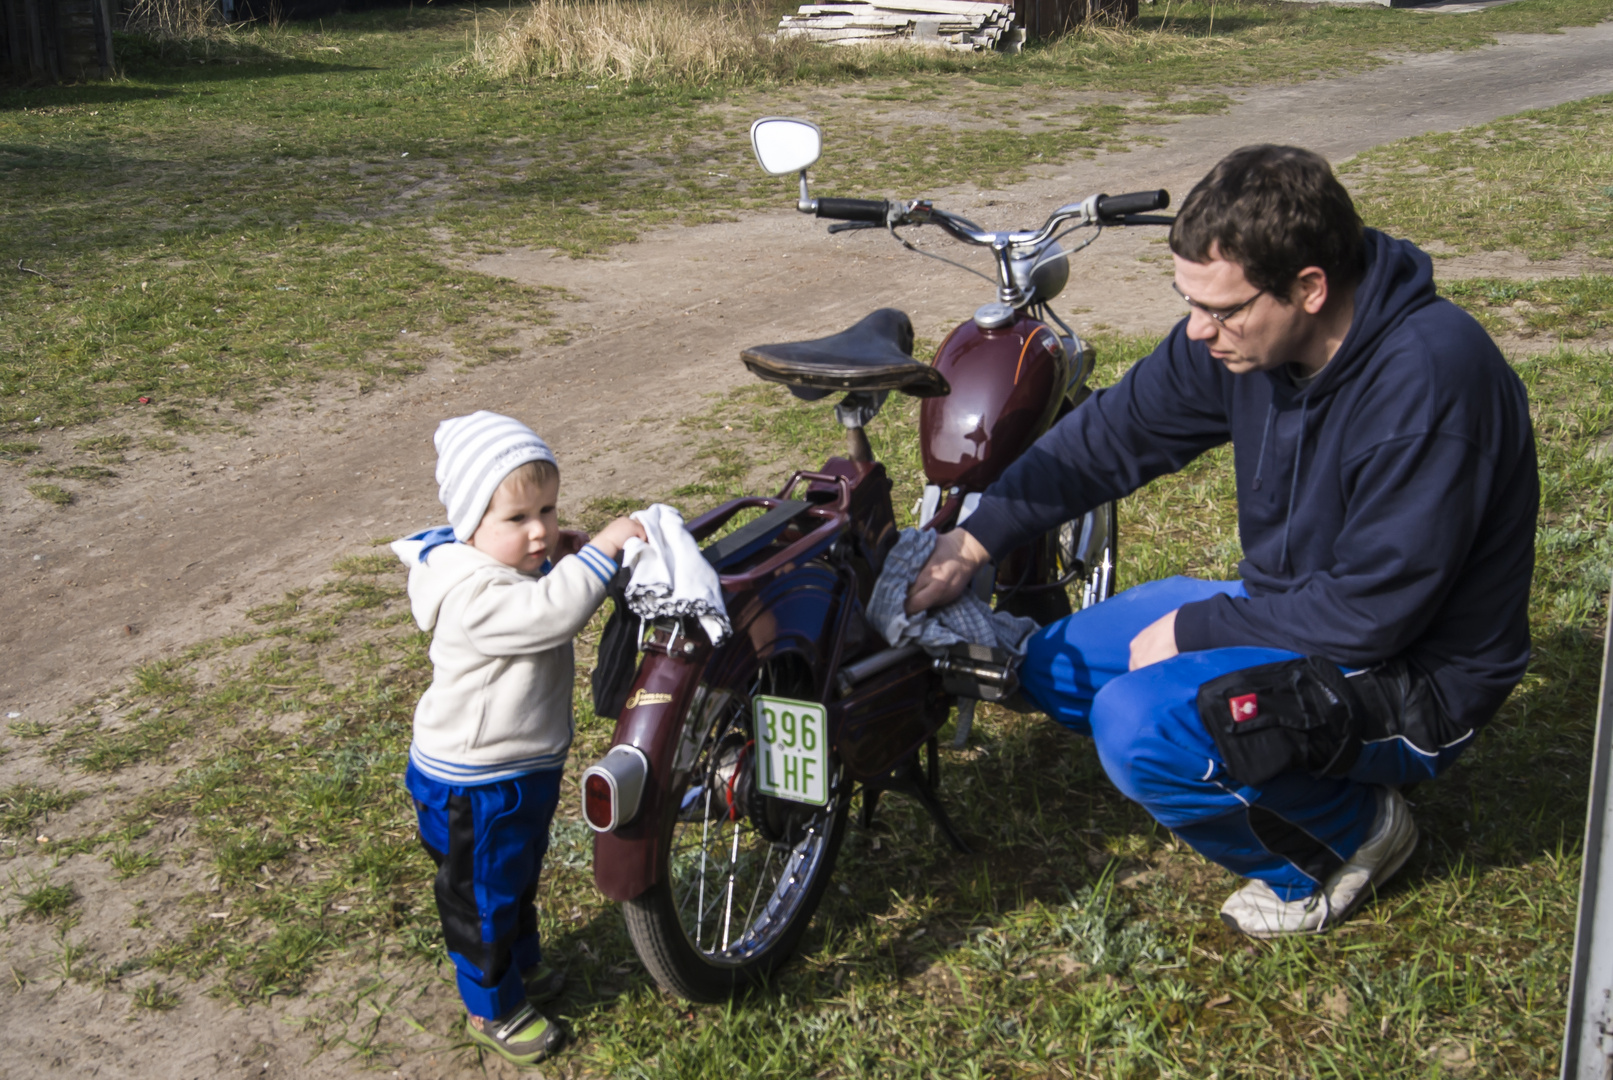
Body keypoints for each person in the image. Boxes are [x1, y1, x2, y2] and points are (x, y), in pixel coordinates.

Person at [905, 145, 1538, 938]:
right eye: (1188, 301)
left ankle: (1343, 842)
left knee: (1139, 725)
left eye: (1223, 309)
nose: (1198, 329)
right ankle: (1280, 761)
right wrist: (978, 538)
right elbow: (1113, 434)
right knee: (1054, 668)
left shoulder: (1430, 383)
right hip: (1290, 610)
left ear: (1308, 287)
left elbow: (1372, 615)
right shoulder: (1245, 342)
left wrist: (1193, 630)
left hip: (1412, 676)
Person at [391, 410, 646, 1064]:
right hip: (472, 785)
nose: (540, 530)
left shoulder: (502, 566)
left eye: (549, 510)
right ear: (469, 525)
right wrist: (599, 550)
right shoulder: (473, 592)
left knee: (514, 876)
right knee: (482, 898)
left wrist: (556, 553)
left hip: (514, 772)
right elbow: (548, 615)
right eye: (516, 519)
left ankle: (520, 967)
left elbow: (537, 583)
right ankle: (490, 1006)